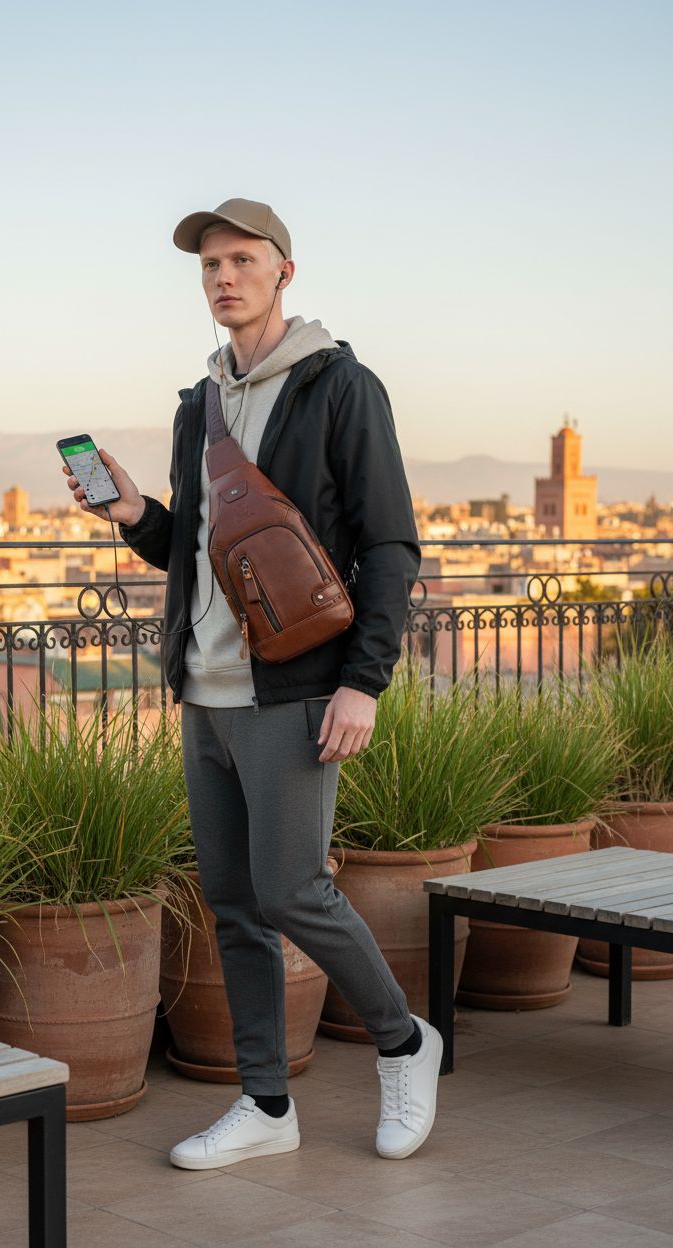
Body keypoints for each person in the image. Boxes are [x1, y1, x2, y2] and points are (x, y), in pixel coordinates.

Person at [63, 197, 441, 1170]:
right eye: (207, 266)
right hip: (206, 694)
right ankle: (266, 1104)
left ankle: (404, 1042)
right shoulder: (199, 405)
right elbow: (197, 548)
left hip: (298, 690)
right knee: (233, 902)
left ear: (283, 272)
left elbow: (391, 547)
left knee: (294, 893)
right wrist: (136, 509)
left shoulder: (340, 388)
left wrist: (363, 685)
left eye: (241, 260)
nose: (221, 277)